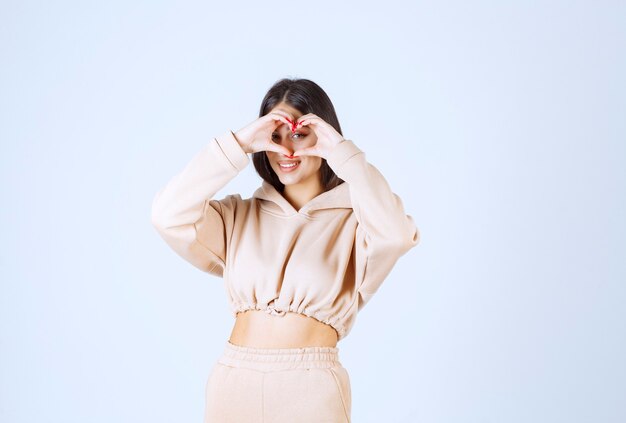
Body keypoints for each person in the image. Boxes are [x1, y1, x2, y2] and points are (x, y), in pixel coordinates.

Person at [150, 78, 420, 422]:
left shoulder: (359, 221)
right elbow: (167, 215)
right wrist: (239, 143)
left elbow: (397, 235)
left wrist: (343, 154)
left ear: (322, 136)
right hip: (235, 382)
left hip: (311, 388)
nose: (286, 151)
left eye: (298, 134)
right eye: (274, 137)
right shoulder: (237, 216)